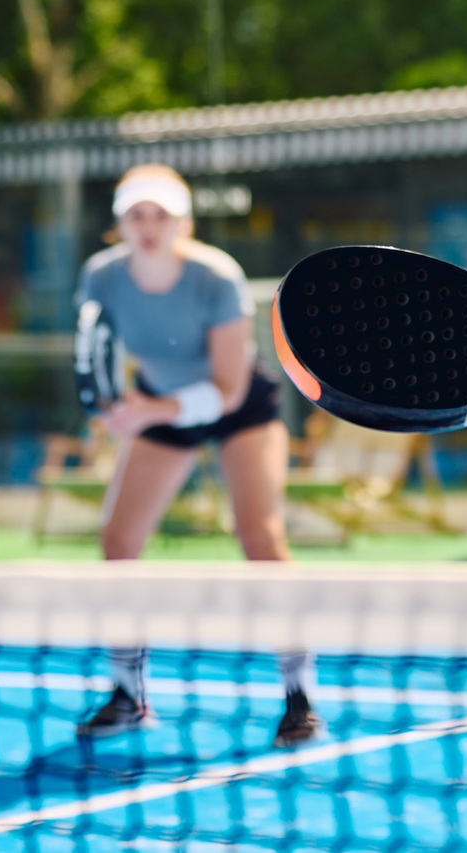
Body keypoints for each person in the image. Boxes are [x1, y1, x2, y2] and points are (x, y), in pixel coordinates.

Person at [72, 163, 323, 748]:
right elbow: (97, 357)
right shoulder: (100, 277)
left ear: (184, 222)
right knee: (117, 544)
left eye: (162, 215)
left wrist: (148, 411)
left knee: (260, 539)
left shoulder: (216, 277)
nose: (149, 227)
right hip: (160, 404)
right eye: (137, 215)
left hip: (240, 406)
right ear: (119, 225)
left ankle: (299, 696)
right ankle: (129, 693)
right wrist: (115, 408)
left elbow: (227, 389)